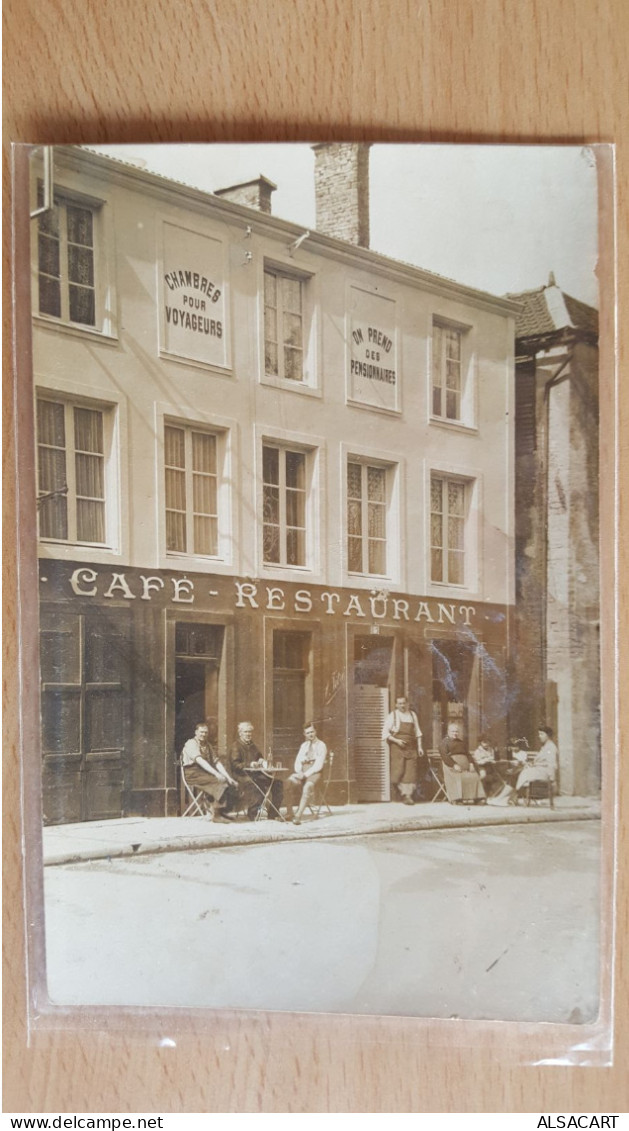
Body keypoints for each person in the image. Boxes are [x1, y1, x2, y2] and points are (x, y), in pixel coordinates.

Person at [181, 722, 238, 822]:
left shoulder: (208, 745)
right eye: (201, 732)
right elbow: (200, 761)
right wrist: (216, 774)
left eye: (205, 732)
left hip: (204, 773)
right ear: (196, 732)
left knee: (228, 782)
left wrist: (229, 778)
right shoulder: (191, 743)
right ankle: (216, 815)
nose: (203, 734)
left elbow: (217, 763)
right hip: (192, 774)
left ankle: (221, 812)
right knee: (219, 781)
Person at [228, 721, 283, 820]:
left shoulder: (252, 745)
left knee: (278, 783)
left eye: (250, 732)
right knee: (255, 785)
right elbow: (235, 765)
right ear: (240, 733)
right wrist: (250, 764)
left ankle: (273, 814)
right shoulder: (236, 746)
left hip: (255, 774)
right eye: (246, 732)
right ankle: (253, 815)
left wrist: (261, 760)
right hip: (241, 776)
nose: (248, 734)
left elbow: (259, 757)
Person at [493, 726, 558, 804]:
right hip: (538, 771)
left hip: (543, 773)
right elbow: (540, 761)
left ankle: (502, 799)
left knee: (517, 774)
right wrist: (530, 764)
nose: (539, 736)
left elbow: (552, 764)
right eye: (539, 734)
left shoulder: (551, 747)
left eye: (541, 734)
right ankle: (503, 798)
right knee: (516, 774)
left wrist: (552, 779)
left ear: (548, 735)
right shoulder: (545, 747)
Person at [382, 696, 423, 804]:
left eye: (404, 703)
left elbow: (418, 732)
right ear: (396, 705)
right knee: (398, 771)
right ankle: (400, 793)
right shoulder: (393, 715)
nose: (402, 706)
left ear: (407, 703)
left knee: (410, 771)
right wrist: (397, 741)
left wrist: (420, 747)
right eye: (400, 703)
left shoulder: (413, 715)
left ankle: (408, 796)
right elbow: (385, 733)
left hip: (411, 747)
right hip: (397, 747)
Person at [285, 723, 327, 825]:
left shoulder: (321, 745)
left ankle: (298, 816)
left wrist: (305, 775)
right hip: (302, 772)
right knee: (287, 782)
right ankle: (290, 813)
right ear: (305, 734)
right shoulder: (304, 746)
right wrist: (299, 771)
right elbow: (298, 760)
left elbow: (318, 765)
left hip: (315, 773)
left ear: (315, 732)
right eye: (308, 733)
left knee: (307, 787)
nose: (310, 734)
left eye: (312, 732)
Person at [439, 722, 486, 804]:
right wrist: (454, 764)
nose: (455, 733)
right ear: (448, 732)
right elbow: (445, 756)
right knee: (458, 777)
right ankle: (456, 799)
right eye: (453, 731)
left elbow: (467, 754)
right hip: (450, 766)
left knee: (474, 775)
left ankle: (478, 798)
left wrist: (471, 763)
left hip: (465, 766)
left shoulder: (461, 742)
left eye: (456, 731)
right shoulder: (444, 742)